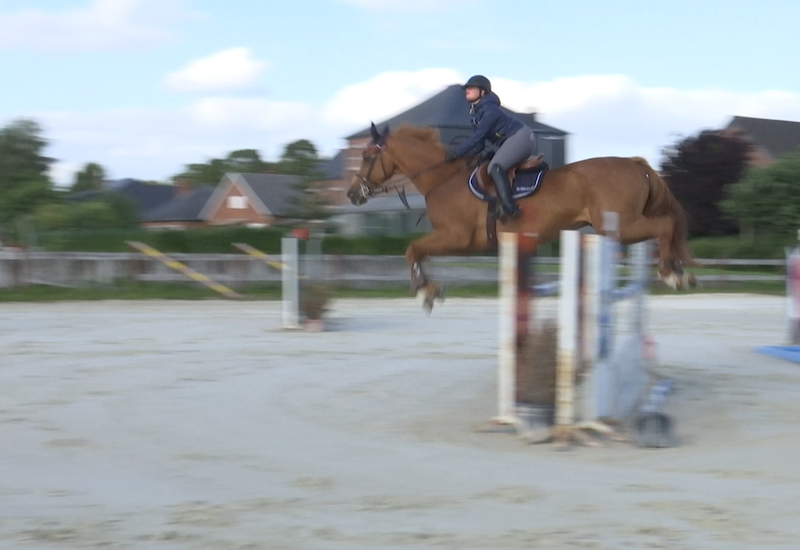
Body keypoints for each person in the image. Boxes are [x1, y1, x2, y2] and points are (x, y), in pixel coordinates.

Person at [444, 75, 536, 218]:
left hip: (521, 137)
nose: (466, 90)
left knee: (495, 167)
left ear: (483, 91)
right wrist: (461, 157)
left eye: (471, 88)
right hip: (512, 139)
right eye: (466, 88)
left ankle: (510, 208)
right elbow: (479, 145)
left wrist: (456, 152)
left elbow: (476, 139)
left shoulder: (489, 111)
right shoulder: (477, 113)